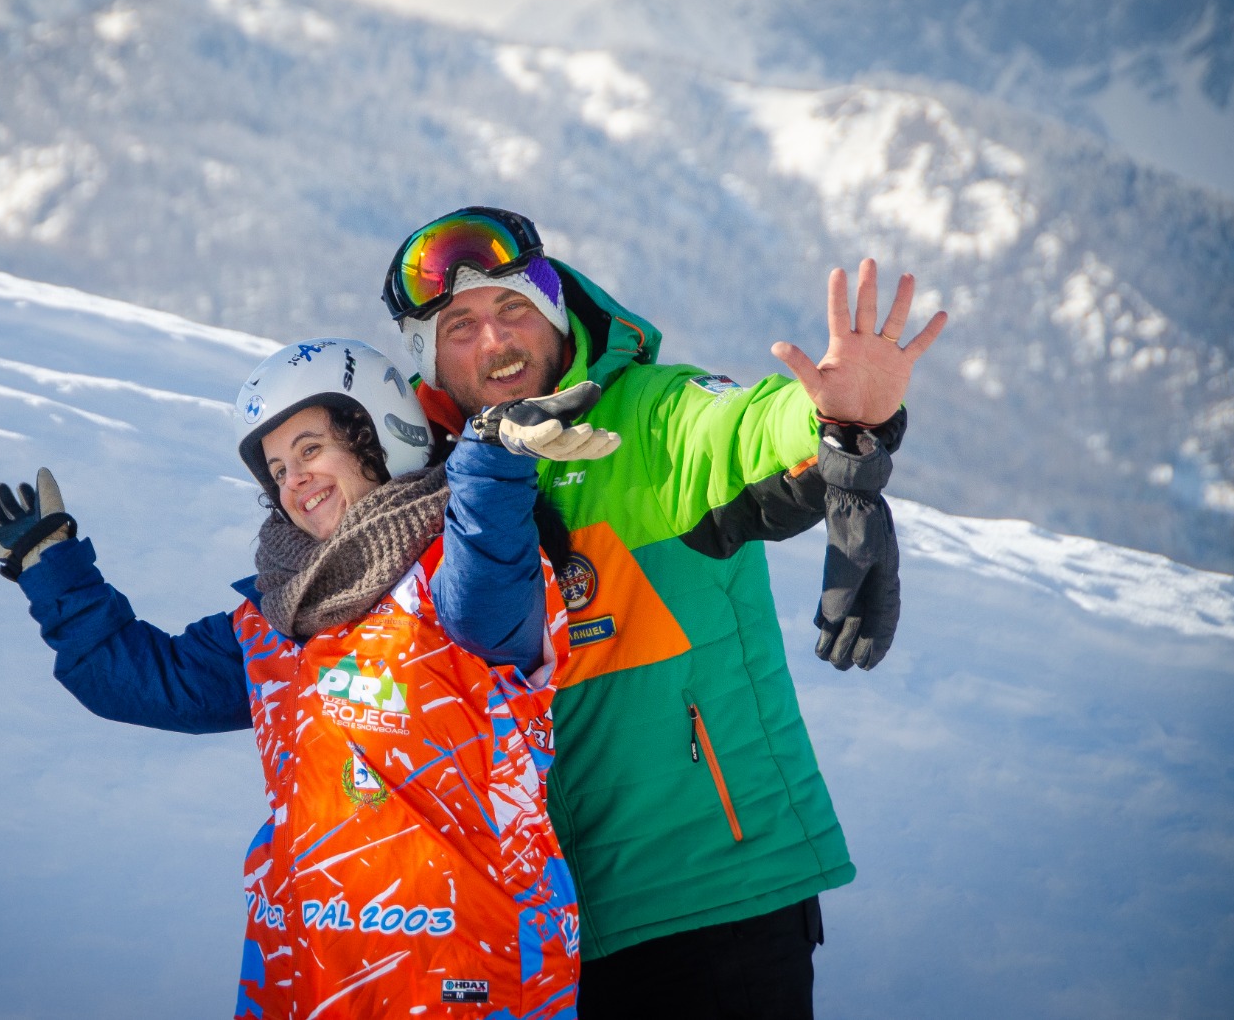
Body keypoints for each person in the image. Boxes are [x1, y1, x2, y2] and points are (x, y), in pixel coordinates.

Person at [381, 207, 947, 1018]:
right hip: (537, 934)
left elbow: (737, 428)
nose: (496, 340)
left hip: (715, 900)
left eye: (513, 308)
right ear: (428, 359)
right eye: (460, 326)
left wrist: (835, 418)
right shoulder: (438, 480)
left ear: (554, 312)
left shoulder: (647, 415)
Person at [0, 338, 616, 1019]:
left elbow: (488, 576)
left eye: (311, 450)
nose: (294, 479)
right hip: (306, 976)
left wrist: (488, 462)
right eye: (277, 469)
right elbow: (139, 679)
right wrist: (49, 565)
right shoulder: (277, 620)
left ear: (379, 437)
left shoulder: (454, 581)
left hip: (466, 973)